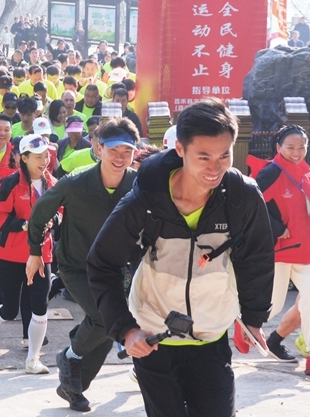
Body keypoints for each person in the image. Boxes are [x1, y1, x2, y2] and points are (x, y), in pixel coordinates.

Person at [86, 99, 274, 417]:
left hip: (211, 338)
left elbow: (256, 259)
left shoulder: (242, 196)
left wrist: (253, 318)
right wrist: (126, 330)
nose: (215, 168)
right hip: (153, 339)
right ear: (180, 150)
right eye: (204, 157)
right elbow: (102, 263)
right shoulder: (146, 200)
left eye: (224, 155)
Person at [28, 118, 139, 412]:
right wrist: (35, 251)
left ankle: (73, 388)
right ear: (98, 148)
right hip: (76, 266)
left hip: (114, 268)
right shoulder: (75, 182)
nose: (120, 158)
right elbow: (40, 213)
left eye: (127, 151)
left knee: (108, 329)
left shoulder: (136, 184)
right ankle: (70, 353)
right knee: (105, 319)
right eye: (113, 150)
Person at [0, 135, 55, 375]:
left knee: (39, 305)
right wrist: (24, 225)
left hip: (42, 255)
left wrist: (56, 219)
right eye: (38, 157)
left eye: (46, 155)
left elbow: (62, 211)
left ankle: (32, 359)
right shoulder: (9, 183)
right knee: (11, 308)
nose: (44, 161)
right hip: (10, 255)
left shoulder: (52, 184)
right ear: (23, 158)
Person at [254, 125, 310, 370]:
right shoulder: (270, 173)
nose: (297, 152)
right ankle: (244, 326)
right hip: (279, 252)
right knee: (273, 304)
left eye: (302, 147)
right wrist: (276, 227)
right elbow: (250, 204)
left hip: (305, 252)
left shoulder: (306, 173)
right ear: (278, 147)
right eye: (291, 147)